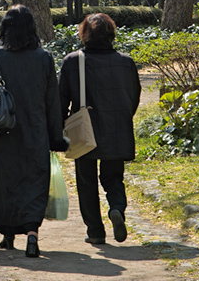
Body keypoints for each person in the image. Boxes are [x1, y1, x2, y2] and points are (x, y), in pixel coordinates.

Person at [0, 4, 68, 258]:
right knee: (33, 183)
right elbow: (52, 103)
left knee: (3, 182)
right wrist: (56, 137)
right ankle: (32, 237)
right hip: (35, 133)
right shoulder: (43, 58)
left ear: (5, 28)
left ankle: (8, 234)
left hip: (0, 134)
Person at [59, 12, 141, 245]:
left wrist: (60, 128)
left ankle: (95, 231)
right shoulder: (126, 62)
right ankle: (117, 207)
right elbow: (133, 97)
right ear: (111, 34)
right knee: (114, 176)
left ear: (84, 33)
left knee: (86, 181)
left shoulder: (73, 61)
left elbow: (60, 100)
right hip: (117, 128)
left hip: (84, 130)